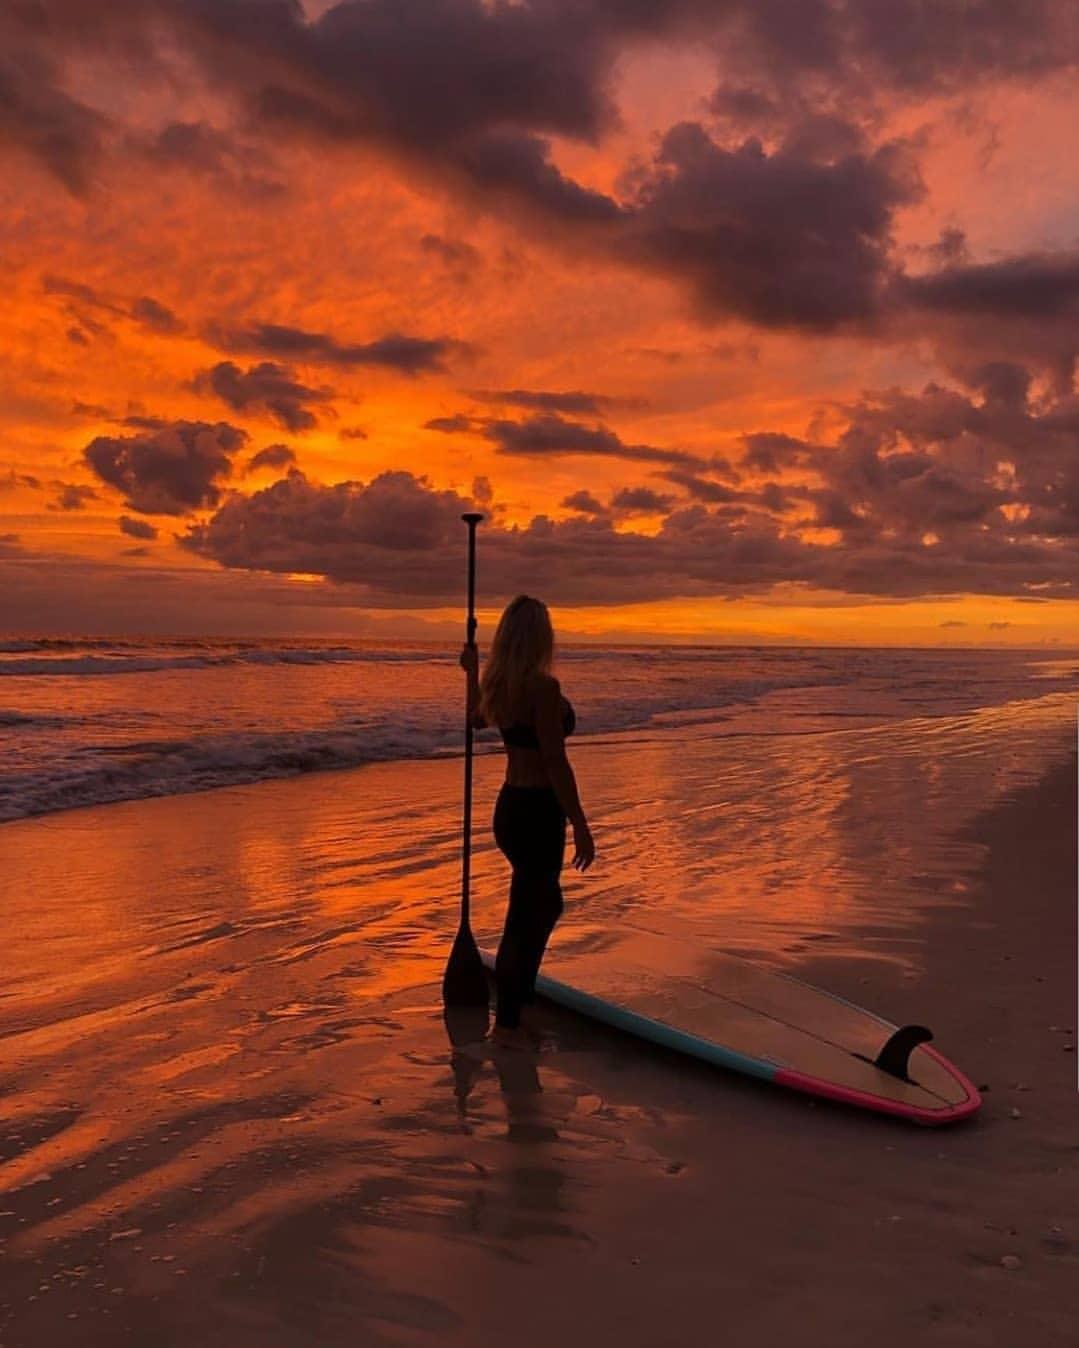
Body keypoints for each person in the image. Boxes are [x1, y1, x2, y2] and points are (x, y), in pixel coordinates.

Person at [460, 594, 595, 1047]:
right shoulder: (542, 689)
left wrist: (473, 673)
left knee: (541, 905)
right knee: (528, 914)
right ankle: (510, 1023)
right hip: (538, 812)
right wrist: (580, 822)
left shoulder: (500, 686)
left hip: (509, 809)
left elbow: (473, 720)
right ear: (541, 637)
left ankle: (521, 1000)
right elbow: (556, 762)